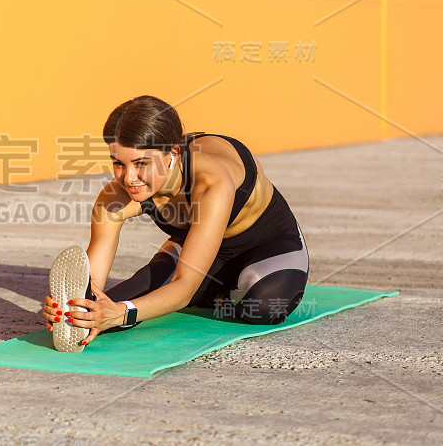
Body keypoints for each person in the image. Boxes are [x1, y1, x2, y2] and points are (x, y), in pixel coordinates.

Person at [42, 95, 310, 348]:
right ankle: (208, 291)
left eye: (141, 163)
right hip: (193, 249)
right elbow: (93, 282)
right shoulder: (114, 198)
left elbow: (182, 288)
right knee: (107, 312)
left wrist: (123, 313)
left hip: (269, 246)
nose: (128, 178)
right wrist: (74, 307)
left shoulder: (211, 180)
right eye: (118, 163)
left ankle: (213, 292)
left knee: (264, 306)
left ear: (172, 154)